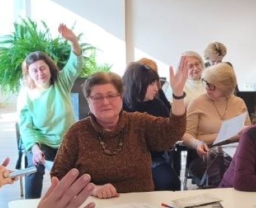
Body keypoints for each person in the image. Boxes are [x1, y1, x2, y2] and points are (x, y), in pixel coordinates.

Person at [51, 63, 188, 195]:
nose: (105, 102)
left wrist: (178, 94)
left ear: (121, 97)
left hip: (141, 202)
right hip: (95, 204)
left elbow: (173, 131)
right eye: (97, 98)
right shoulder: (77, 132)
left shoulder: (139, 122)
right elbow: (58, 175)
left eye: (111, 95)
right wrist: (91, 189)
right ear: (88, 101)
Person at [17, 23, 83, 199]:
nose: (40, 73)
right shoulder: (26, 94)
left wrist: (73, 41)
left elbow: (76, 63)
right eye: (34, 70)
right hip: (41, 141)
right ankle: (30, 207)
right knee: (34, 168)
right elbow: (26, 127)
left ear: (49, 68)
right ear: (29, 74)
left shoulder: (61, 81)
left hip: (67, 140)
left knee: (76, 170)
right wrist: (35, 149)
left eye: (42, 68)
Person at [122, 62, 180, 191]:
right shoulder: (119, 105)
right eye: (152, 84)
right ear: (138, 84)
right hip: (124, 159)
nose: (156, 88)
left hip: (153, 158)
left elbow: (169, 130)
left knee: (170, 181)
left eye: (156, 83)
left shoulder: (157, 104)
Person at [184, 63, 251, 157]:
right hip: (207, 153)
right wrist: (197, 144)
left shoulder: (239, 103)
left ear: (225, 88)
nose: (207, 88)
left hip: (236, 154)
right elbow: (187, 135)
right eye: (205, 82)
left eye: (211, 86)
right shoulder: (197, 103)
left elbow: (248, 132)